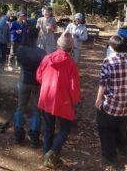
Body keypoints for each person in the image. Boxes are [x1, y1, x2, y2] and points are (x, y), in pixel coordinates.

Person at [36, 32, 81, 169]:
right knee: (65, 128)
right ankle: (52, 153)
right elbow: (74, 88)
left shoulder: (47, 58)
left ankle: (47, 154)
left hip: (47, 98)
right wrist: (74, 100)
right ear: (70, 48)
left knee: (49, 127)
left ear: (57, 45)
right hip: (63, 101)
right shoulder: (71, 64)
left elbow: (38, 77)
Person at [95, 35, 127, 165]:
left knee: (105, 127)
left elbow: (103, 83)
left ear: (112, 47)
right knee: (121, 123)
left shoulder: (109, 61)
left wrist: (98, 98)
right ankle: (123, 147)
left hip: (112, 103)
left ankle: (110, 155)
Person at [13, 27, 47, 147]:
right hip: (37, 83)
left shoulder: (20, 49)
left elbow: (19, 62)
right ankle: (34, 137)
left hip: (23, 81)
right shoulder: (42, 52)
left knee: (20, 107)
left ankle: (18, 134)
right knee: (36, 110)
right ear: (36, 38)